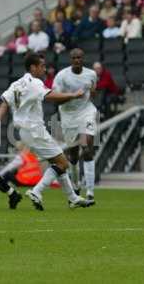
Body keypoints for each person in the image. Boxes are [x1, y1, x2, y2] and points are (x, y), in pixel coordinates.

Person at [0, 52, 92, 211]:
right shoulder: (34, 83)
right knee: (63, 163)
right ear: (33, 67)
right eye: (42, 66)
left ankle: (72, 198)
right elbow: (51, 96)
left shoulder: (16, 84)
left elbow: (4, 102)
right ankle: (37, 191)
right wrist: (73, 95)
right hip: (34, 130)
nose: (44, 69)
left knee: (57, 163)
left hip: (25, 131)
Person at [52, 49, 98, 204]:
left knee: (87, 148)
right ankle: (76, 186)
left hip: (86, 112)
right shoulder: (62, 76)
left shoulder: (91, 74)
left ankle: (90, 191)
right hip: (68, 117)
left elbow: (93, 91)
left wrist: (91, 94)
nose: (77, 60)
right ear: (70, 59)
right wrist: (73, 96)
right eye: (74, 58)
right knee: (73, 155)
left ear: (83, 59)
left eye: (80, 57)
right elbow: (55, 99)